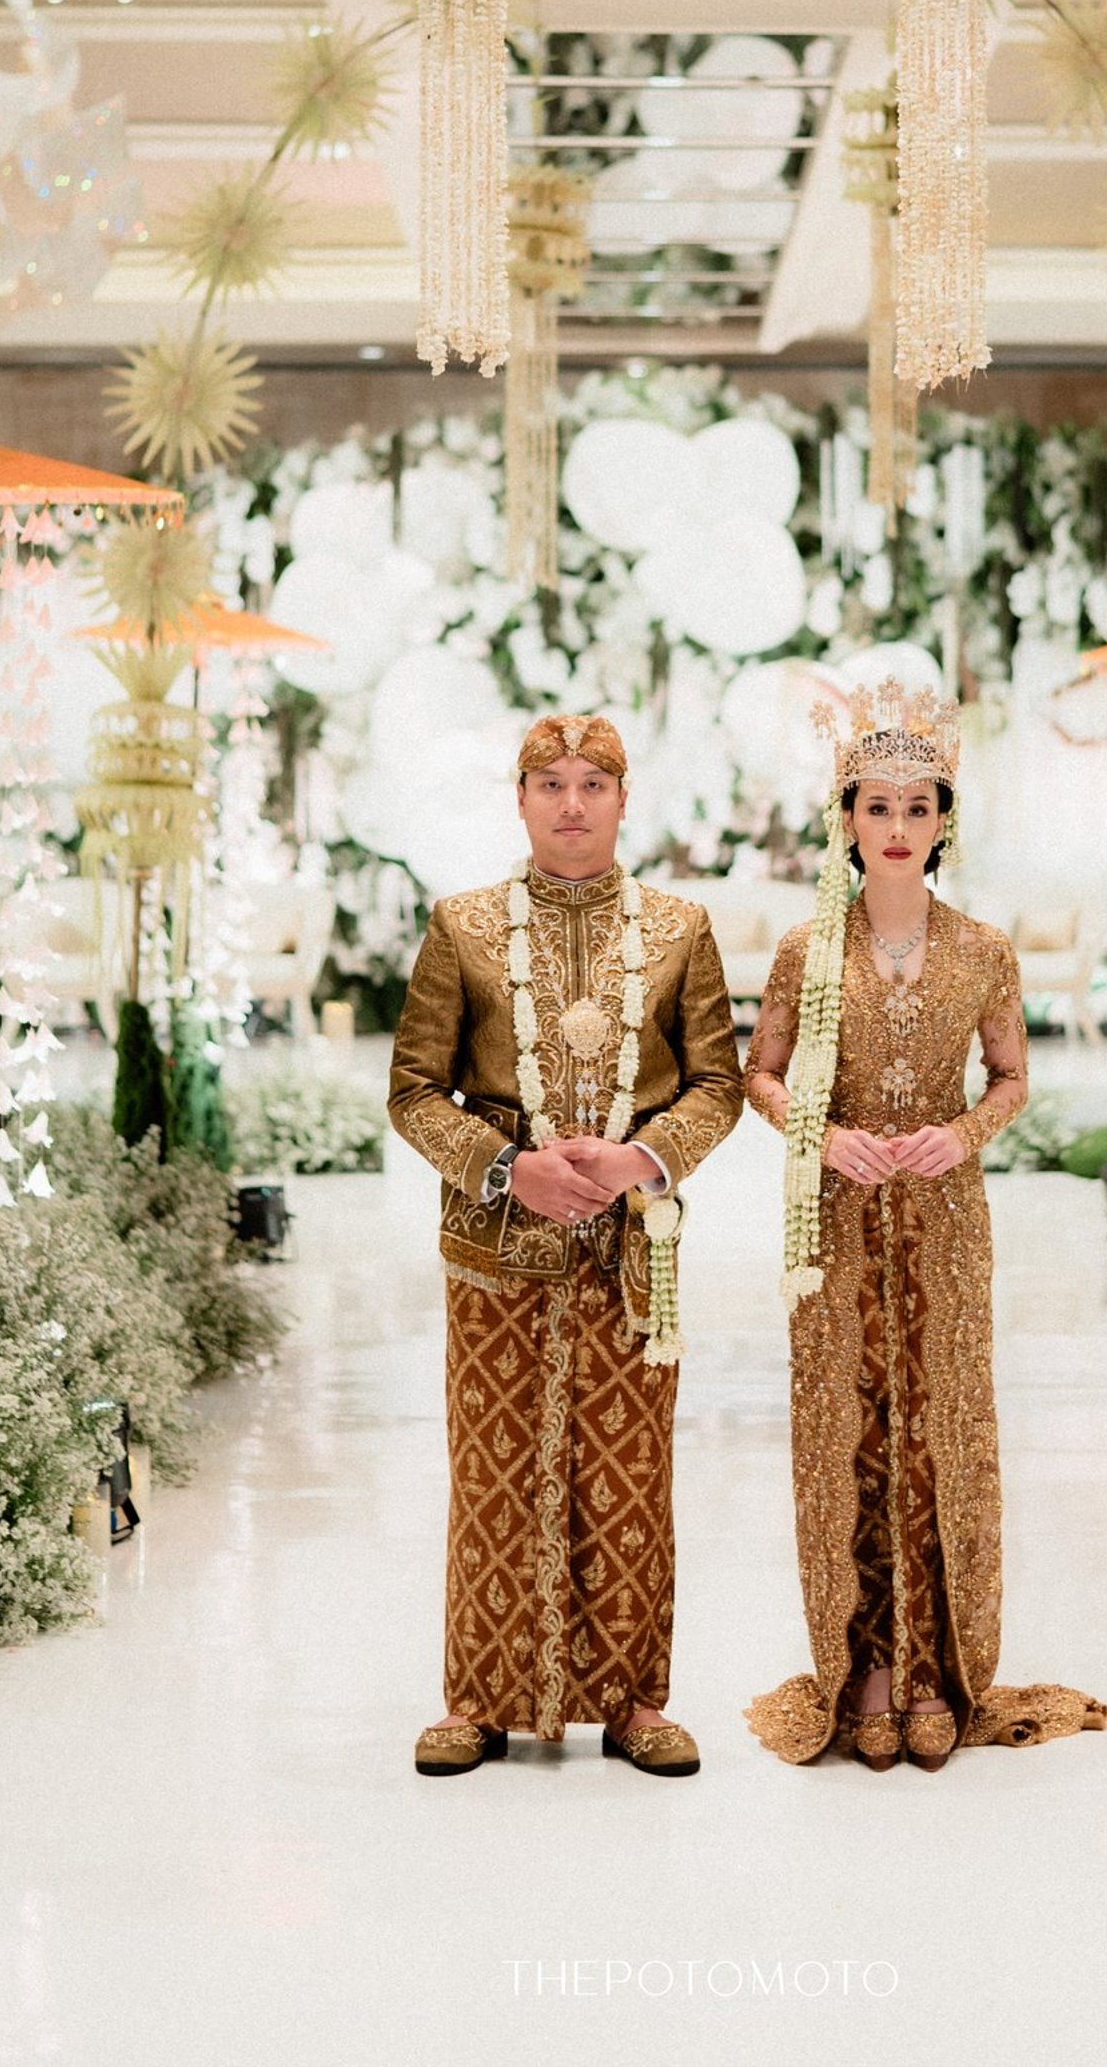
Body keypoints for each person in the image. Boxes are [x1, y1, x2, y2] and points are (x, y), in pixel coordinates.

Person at [742, 680, 1107, 1774]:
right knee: (849, 1433)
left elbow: (1012, 1077)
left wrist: (963, 1133)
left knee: (940, 1429)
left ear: (946, 819)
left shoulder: (984, 949)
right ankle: (862, 1668)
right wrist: (818, 1133)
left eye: (917, 806)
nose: (897, 828)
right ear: (845, 819)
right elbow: (757, 1073)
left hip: (945, 1223)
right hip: (838, 1220)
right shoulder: (807, 948)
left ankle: (938, 1666)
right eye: (877, 805)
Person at [388, 711, 743, 1778]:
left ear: (626, 801)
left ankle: (635, 1700)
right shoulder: (462, 927)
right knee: (492, 1470)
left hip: (631, 1254)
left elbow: (717, 1083)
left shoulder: (681, 928)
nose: (574, 802)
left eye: (595, 782)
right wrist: (510, 1167)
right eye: (552, 782)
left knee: (633, 1477)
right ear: (522, 798)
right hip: (499, 1251)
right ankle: (479, 1698)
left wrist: (646, 1159)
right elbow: (414, 1091)